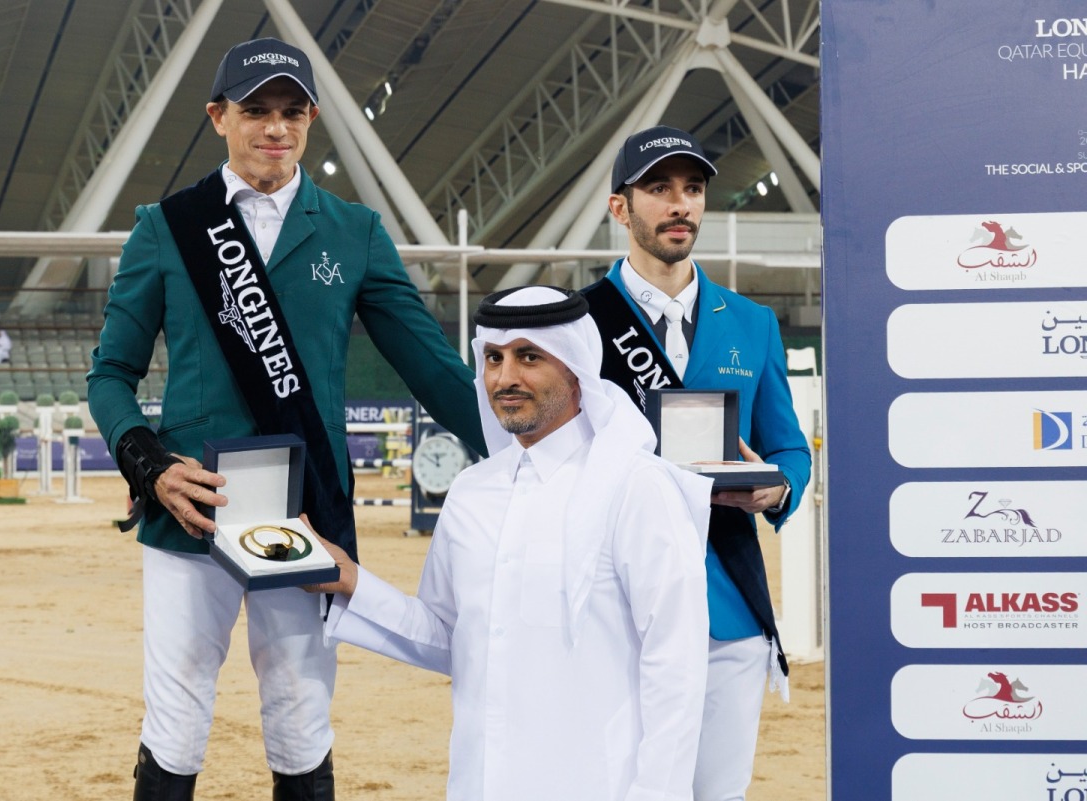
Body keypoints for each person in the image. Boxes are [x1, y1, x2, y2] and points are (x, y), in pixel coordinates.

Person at [86, 37, 485, 801]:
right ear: (217, 117)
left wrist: (529, 448)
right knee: (175, 718)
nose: (275, 127)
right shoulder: (166, 228)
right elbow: (110, 375)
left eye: (291, 111)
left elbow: (433, 369)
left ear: (311, 118)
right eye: (255, 110)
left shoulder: (355, 231)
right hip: (190, 514)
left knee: (302, 717)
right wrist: (151, 464)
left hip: (307, 518)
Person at [307, 286, 714, 801]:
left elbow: (675, 665)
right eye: (494, 359)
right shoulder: (472, 492)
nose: (505, 378)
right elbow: (453, 638)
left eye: (529, 357)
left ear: (575, 369)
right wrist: (351, 580)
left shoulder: (637, 487)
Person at [582, 125, 812, 801]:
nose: (680, 203)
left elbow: (790, 449)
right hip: (611, 610)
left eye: (692, 188)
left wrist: (775, 489)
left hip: (727, 610)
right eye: (658, 188)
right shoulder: (575, 324)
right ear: (620, 208)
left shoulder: (752, 323)